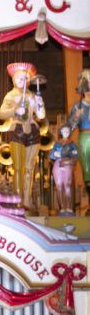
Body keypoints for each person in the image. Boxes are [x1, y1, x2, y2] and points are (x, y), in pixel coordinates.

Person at [0, 62, 45, 211]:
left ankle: (27, 200)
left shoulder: (32, 96)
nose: (22, 81)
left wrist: (40, 104)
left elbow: (41, 116)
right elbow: (1, 113)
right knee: (18, 168)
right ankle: (17, 199)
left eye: (25, 78)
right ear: (13, 79)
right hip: (17, 129)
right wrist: (15, 111)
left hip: (32, 130)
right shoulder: (10, 96)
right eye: (19, 78)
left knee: (30, 168)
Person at [68, 69, 90, 200]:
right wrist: (75, 117)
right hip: (84, 139)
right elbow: (68, 128)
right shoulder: (78, 106)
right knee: (87, 170)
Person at [50, 124, 79, 215]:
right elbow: (51, 154)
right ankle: (62, 207)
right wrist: (55, 154)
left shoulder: (72, 144)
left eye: (67, 131)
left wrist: (73, 155)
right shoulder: (57, 143)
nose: (66, 132)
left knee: (67, 185)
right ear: (61, 132)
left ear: (69, 133)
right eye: (64, 131)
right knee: (59, 186)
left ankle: (69, 207)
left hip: (67, 164)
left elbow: (76, 155)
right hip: (58, 164)